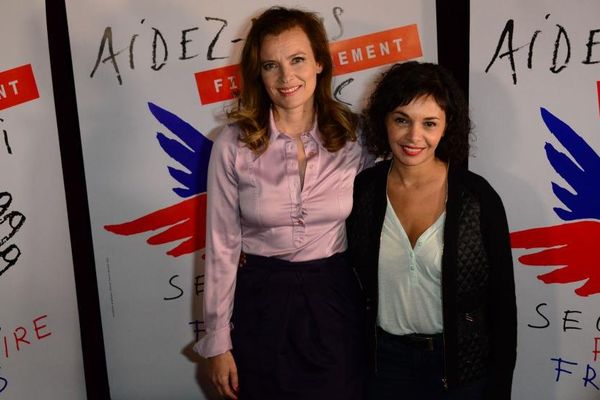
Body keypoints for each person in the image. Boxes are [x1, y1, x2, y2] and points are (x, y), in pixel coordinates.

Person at [194, 6, 373, 400]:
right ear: (258, 73)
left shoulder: (354, 136)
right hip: (261, 302)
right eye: (271, 65)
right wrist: (219, 342)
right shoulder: (232, 144)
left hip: (335, 301)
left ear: (320, 63)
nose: (286, 76)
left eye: (297, 60)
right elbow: (222, 248)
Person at [346, 61, 517, 399]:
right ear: (384, 121)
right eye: (401, 120)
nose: (414, 136)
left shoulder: (478, 197)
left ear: (446, 127)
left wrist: (500, 387)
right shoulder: (361, 190)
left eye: (429, 123)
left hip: (460, 370)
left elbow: (503, 307)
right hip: (383, 368)